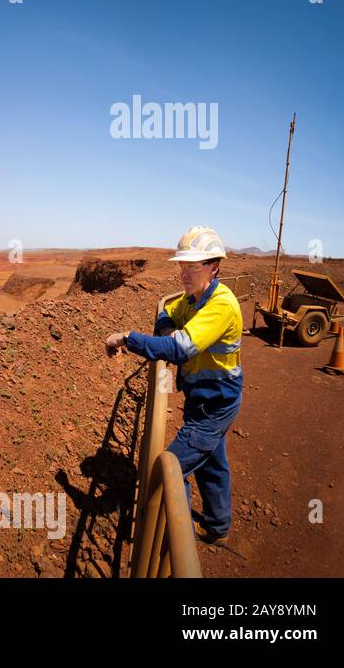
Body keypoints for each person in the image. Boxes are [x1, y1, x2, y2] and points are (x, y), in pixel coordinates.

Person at [104, 227, 243, 544]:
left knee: (169, 470)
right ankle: (218, 525)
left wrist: (128, 339)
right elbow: (166, 315)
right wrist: (169, 335)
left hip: (216, 404)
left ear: (213, 267)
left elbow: (179, 349)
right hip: (203, 399)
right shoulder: (193, 299)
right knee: (212, 461)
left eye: (192, 266)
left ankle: (173, 538)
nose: (184, 272)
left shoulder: (221, 304)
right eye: (182, 264)